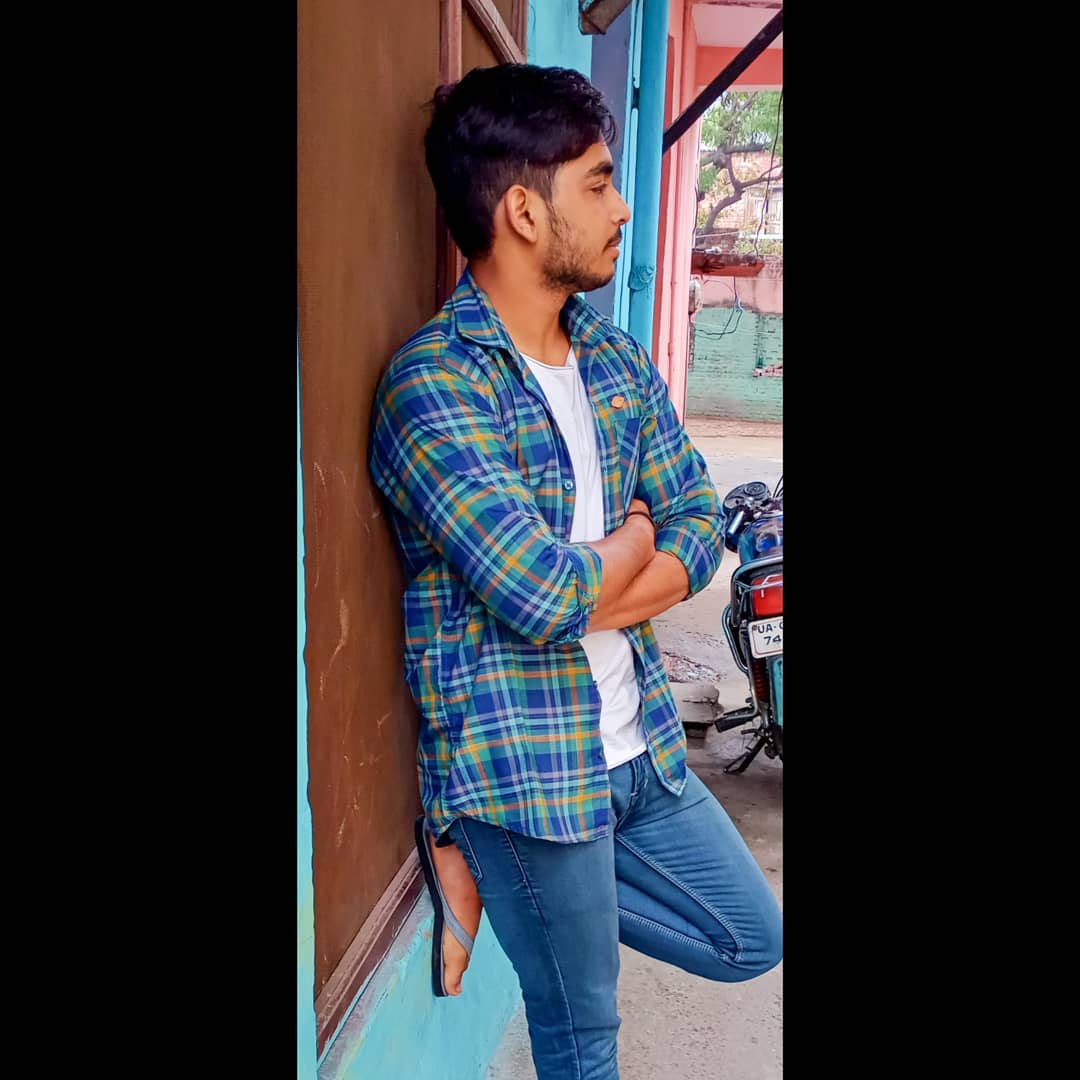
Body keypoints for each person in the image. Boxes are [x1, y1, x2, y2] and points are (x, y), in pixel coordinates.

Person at [369, 63, 781, 1080]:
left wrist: (617, 565)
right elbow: (542, 593)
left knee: (751, 935)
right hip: (527, 775)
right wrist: (637, 544)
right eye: (597, 182)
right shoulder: (434, 386)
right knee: (583, 1037)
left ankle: (526, 896)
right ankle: (501, 864)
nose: (622, 206)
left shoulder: (612, 358)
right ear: (521, 210)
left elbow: (697, 520)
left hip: (639, 746)